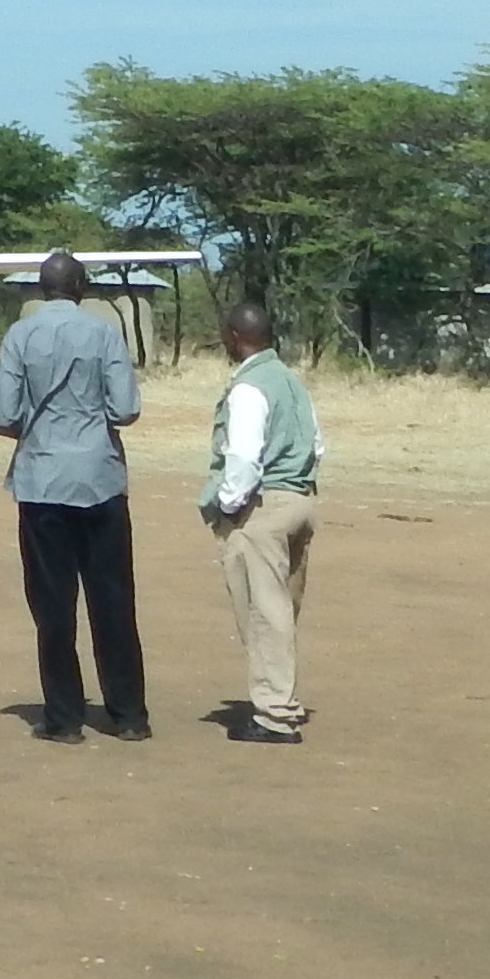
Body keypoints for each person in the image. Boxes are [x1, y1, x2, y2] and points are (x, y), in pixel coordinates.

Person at [0, 251, 146, 741]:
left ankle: (63, 718)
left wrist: (40, 432)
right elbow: (125, 410)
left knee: (53, 603)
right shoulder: (104, 333)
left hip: (42, 483)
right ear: (81, 286)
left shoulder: (20, 335)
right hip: (100, 479)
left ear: (41, 287)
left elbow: (2, 415)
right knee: (113, 599)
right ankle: (129, 716)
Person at [202, 301, 322, 742]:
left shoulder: (248, 388)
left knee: (263, 611)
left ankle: (274, 715)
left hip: (264, 508)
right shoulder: (291, 383)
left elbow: (243, 458)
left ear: (234, 337)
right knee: (283, 610)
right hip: (300, 499)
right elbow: (317, 445)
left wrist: (231, 506)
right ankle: (280, 700)